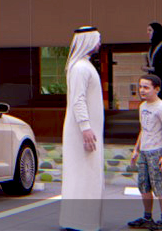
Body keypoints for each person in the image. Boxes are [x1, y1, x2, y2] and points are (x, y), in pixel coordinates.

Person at [60, 26, 105, 231]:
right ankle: (79, 222)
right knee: (82, 175)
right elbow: (78, 101)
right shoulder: (80, 68)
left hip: (87, 132)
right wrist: (85, 128)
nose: (99, 43)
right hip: (82, 133)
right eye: (97, 39)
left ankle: (84, 220)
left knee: (88, 175)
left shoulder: (84, 66)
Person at [126, 73, 162, 231]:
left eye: (146, 87)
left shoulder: (160, 107)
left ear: (157, 89)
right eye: (140, 87)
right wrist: (136, 149)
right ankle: (147, 218)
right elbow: (144, 129)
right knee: (144, 186)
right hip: (144, 152)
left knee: (159, 187)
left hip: (156, 152)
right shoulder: (142, 106)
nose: (142, 90)